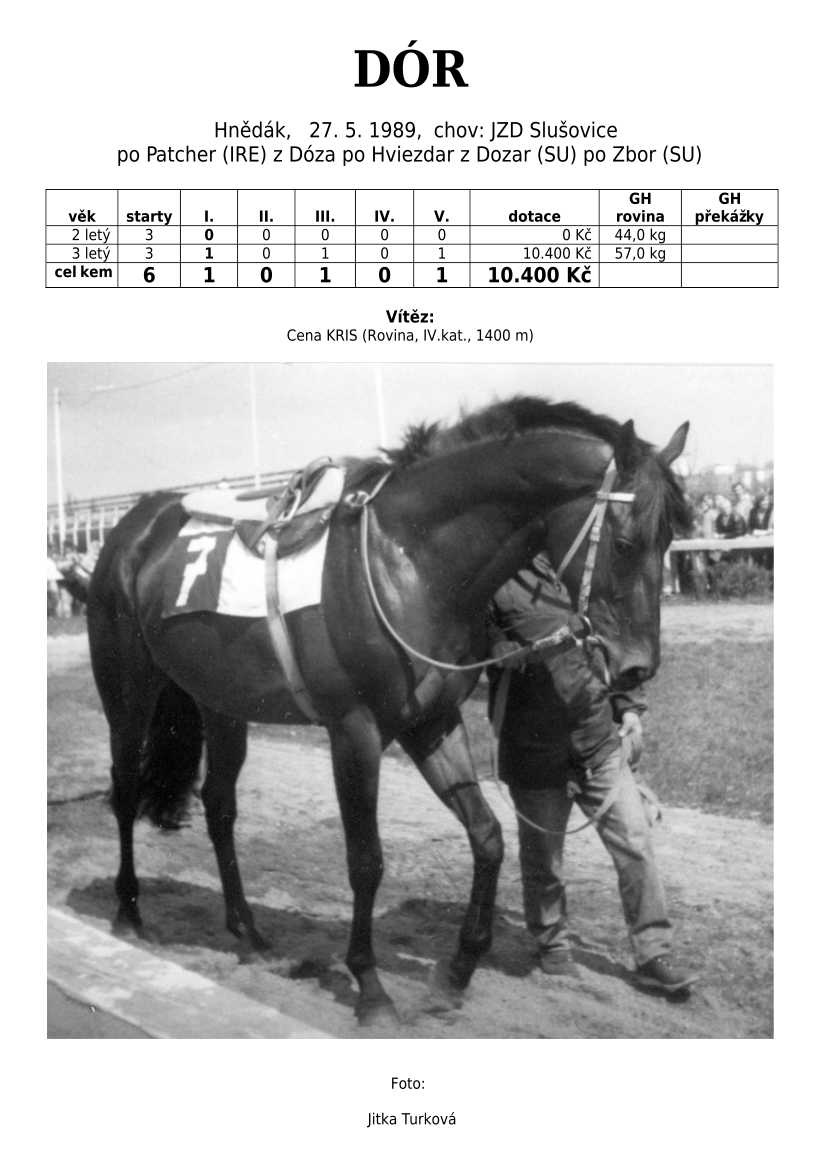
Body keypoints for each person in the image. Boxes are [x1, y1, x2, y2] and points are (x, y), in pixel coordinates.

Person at [488, 556, 695, 995]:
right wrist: (495, 647)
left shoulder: (579, 567)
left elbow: (613, 647)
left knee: (635, 841)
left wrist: (629, 710)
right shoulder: (494, 574)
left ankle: (653, 954)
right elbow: (466, 640)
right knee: (544, 859)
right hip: (534, 751)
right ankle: (551, 942)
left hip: (596, 740)